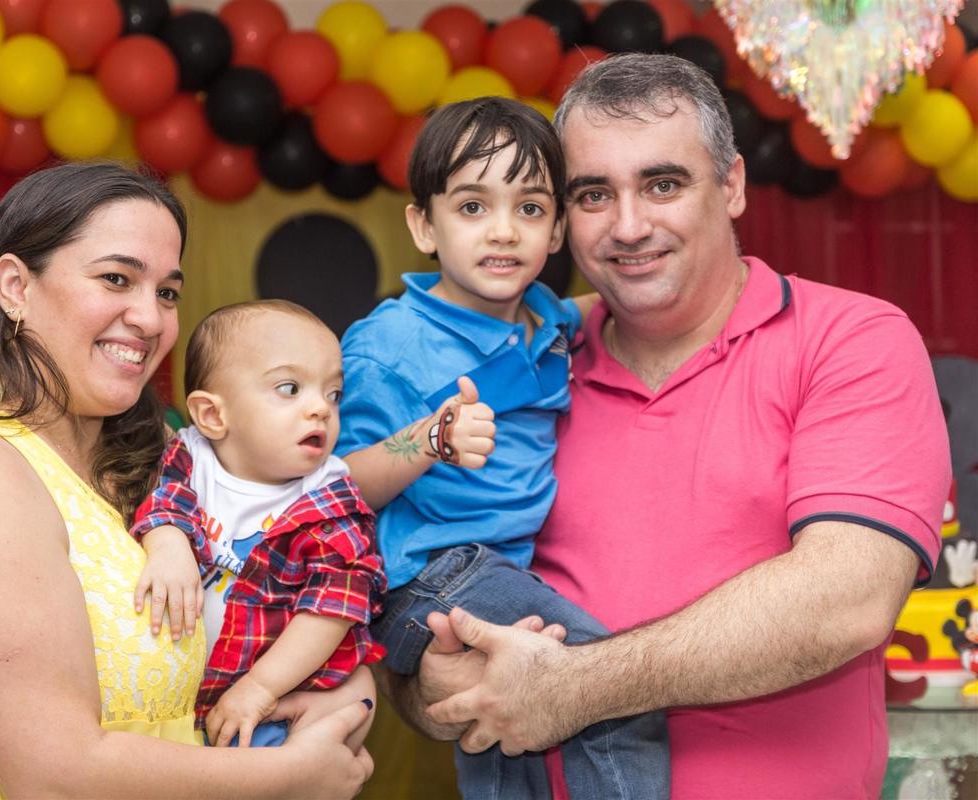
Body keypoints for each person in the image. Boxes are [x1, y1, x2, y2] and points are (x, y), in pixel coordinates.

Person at [389, 53, 951, 800]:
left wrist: (575, 686)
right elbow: (417, 583)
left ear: (732, 185)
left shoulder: (851, 340)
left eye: (662, 184)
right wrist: (431, 685)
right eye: (594, 194)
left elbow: (848, 600)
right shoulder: (525, 361)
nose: (629, 226)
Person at [0, 162, 374, 799]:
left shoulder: (151, 469)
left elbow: (307, 571)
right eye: (116, 279)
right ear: (15, 286)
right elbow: (50, 776)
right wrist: (291, 775)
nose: (151, 319)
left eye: (167, 293)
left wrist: (337, 701)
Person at [335, 97, 668, 799]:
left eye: (530, 208)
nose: (504, 231)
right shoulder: (389, 342)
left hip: (500, 572)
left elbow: (593, 310)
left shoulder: (546, 321)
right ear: (424, 226)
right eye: (472, 207)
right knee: (605, 685)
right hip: (431, 576)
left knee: (504, 739)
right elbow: (338, 490)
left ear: (557, 230)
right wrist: (430, 439)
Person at [128, 300, 385, 750]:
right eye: (290, 388)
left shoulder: (331, 503)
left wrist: (261, 689)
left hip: (277, 704)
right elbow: (164, 500)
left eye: (333, 394)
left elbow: (331, 611)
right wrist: (168, 544)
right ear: (213, 416)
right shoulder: (191, 459)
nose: (320, 409)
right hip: (180, 699)